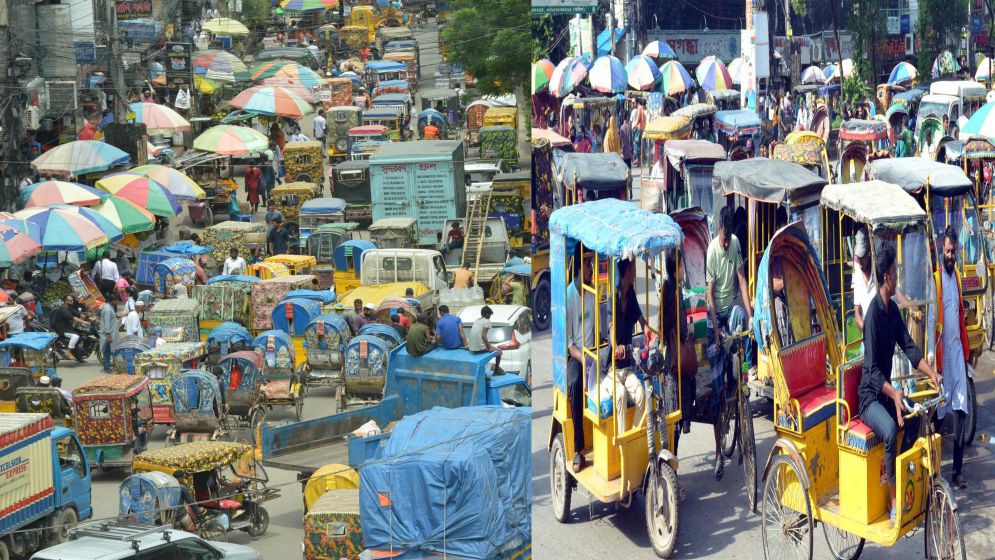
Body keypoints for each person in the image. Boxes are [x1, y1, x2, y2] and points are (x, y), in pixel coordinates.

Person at [859, 241, 941, 524]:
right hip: (869, 399)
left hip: (886, 393)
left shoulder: (892, 311)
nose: (898, 276)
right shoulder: (872, 317)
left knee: (917, 418)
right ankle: (894, 501)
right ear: (886, 277)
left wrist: (930, 372)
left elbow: (909, 346)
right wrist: (893, 393)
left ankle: (901, 475)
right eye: (895, 271)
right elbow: (869, 372)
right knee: (892, 429)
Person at [705, 205, 753, 480]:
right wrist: (716, 330)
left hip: (731, 312)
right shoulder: (712, 251)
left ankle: (741, 396)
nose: (726, 241)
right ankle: (717, 452)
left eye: (728, 237)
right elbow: (709, 297)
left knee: (742, 329)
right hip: (715, 319)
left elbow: (742, 281)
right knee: (715, 388)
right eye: (723, 237)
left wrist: (751, 315)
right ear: (718, 231)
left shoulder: (735, 244)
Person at [935, 227, 971, 489]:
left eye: (953, 251)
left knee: (960, 409)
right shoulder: (935, 278)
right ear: (941, 250)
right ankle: (935, 473)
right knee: (937, 412)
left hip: (957, 351)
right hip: (939, 356)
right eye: (947, 251)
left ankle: (957, 471)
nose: (950, 256)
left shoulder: (957, 276)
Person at [602, 259, 646, 433]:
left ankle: (632, 437)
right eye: (633, 269)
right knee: (619, 394)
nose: (635, 273)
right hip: (611, 371)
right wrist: (617, 346)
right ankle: (622, 444)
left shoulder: (631, 295)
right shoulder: (613, 296)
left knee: (642, 395)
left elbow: (641, 319)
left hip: (627, 369)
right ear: (626, 273)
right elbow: (611, 326)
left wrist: (650, 334)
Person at [567, 253, 596, 472]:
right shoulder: (569, 297)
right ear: (578, 267)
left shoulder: (593, 292)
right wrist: (584, 359)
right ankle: (579, 450)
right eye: (587, 264)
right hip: (577, 355)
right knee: (576, 383)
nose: (592, 268)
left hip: (595, 351)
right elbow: (569, 344)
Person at [851, 229, 876, 331]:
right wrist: (866, 330)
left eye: (863, 257)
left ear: (869, 254)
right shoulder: (857, 270)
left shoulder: (878, 270)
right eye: (858, 258)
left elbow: (895, 290)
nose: (860, 262)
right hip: (867, 327)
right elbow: (857, 311)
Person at [468, 305, 502, 373]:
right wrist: (489, 347)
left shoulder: (477, 320)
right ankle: (496, 371)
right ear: (487, 314)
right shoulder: (487, 321)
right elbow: (484, 336)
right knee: (499, 352)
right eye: (490, 315)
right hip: (480, 348)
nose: (490, 317)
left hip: (471, 347)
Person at [53, 296, 87, 362]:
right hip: (62, 329)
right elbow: (73, 317)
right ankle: (68, 352)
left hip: (69, 327)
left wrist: (88, 317)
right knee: (75, 336)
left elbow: (78, 313)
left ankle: (77, 355)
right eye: (71, 300)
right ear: (66, 301)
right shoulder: (63, 309)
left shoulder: (69, 307)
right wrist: (84, 322)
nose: (72, 301)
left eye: (72, 300)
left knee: (81, 335)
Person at [771, 259, 794, 345]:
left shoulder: (795, 259)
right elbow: (774, 285)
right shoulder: (773, 260)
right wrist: (789, 279)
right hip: (778, 300)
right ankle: (786, 346)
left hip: (795, 299)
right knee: (779, 306)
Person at [98, 299, 117, 373]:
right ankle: (107, 367)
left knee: (108, 351)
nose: (116, 302)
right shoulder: (108, 310)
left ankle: (108, 366)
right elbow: (107, 323)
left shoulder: (108, 307)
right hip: (107, 334)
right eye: (115, 300)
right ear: (111, 300)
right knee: (107, 351)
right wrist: (109, 335)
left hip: (110, 333)